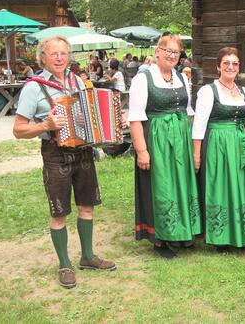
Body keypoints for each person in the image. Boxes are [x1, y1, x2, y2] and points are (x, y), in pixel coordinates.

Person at [12, 35, 116, 289]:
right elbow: (18, 130)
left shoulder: (77, 80)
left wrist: (107, 122)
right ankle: (65, 264)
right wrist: (45, 125)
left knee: (87, 206)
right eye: (53, 54)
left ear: (69, 56)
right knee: (58, 212)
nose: (59, 58)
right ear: (43, 58)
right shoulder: (33, 87)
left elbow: (88, 114)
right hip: (55, 154)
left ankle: (88, 256)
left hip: (83, 152)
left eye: (63, 53)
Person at [129, 33, 200, 259]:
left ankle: (182, 232)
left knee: (182, 183)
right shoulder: (143, 78)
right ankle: (161, 238)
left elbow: (188, 112)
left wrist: (194, 142)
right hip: (157, 139)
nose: (171, 55)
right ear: (157, 51)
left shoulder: (181, 78)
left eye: (176, 52)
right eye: (167, 50)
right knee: (162, 185)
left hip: (181, 138)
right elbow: (135, 118)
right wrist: (142, 151)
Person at [192, 47, 245, 250]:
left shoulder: (242, 91)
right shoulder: (208, 91)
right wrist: (197, 154)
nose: (231, 67)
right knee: (220, 187)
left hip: (238, 144)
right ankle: (221, 237)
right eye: (226, 63)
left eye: (235, 63)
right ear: (218, 66)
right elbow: (199, 125)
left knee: (239, 186)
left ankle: (242, 234)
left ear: (239, 67)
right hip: (217, 144)